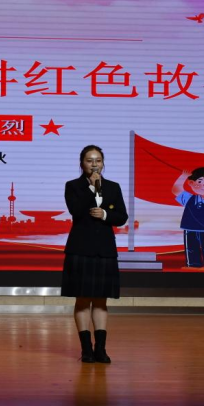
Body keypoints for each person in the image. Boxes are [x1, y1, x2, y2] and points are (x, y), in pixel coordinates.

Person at [62, 145, 128, 363]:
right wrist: (91, 189)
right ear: (82, 163)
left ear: (103, 162)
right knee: (82, 299)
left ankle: (101, 348)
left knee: (100, 301)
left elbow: (122, 217)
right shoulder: (73, 186)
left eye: (98, 160)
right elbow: (76, 211)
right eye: (89, 160)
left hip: (104, 249)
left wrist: (105, 214)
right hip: (80, 249)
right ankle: (86, 349)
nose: (94, 164)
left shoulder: (113, 187)